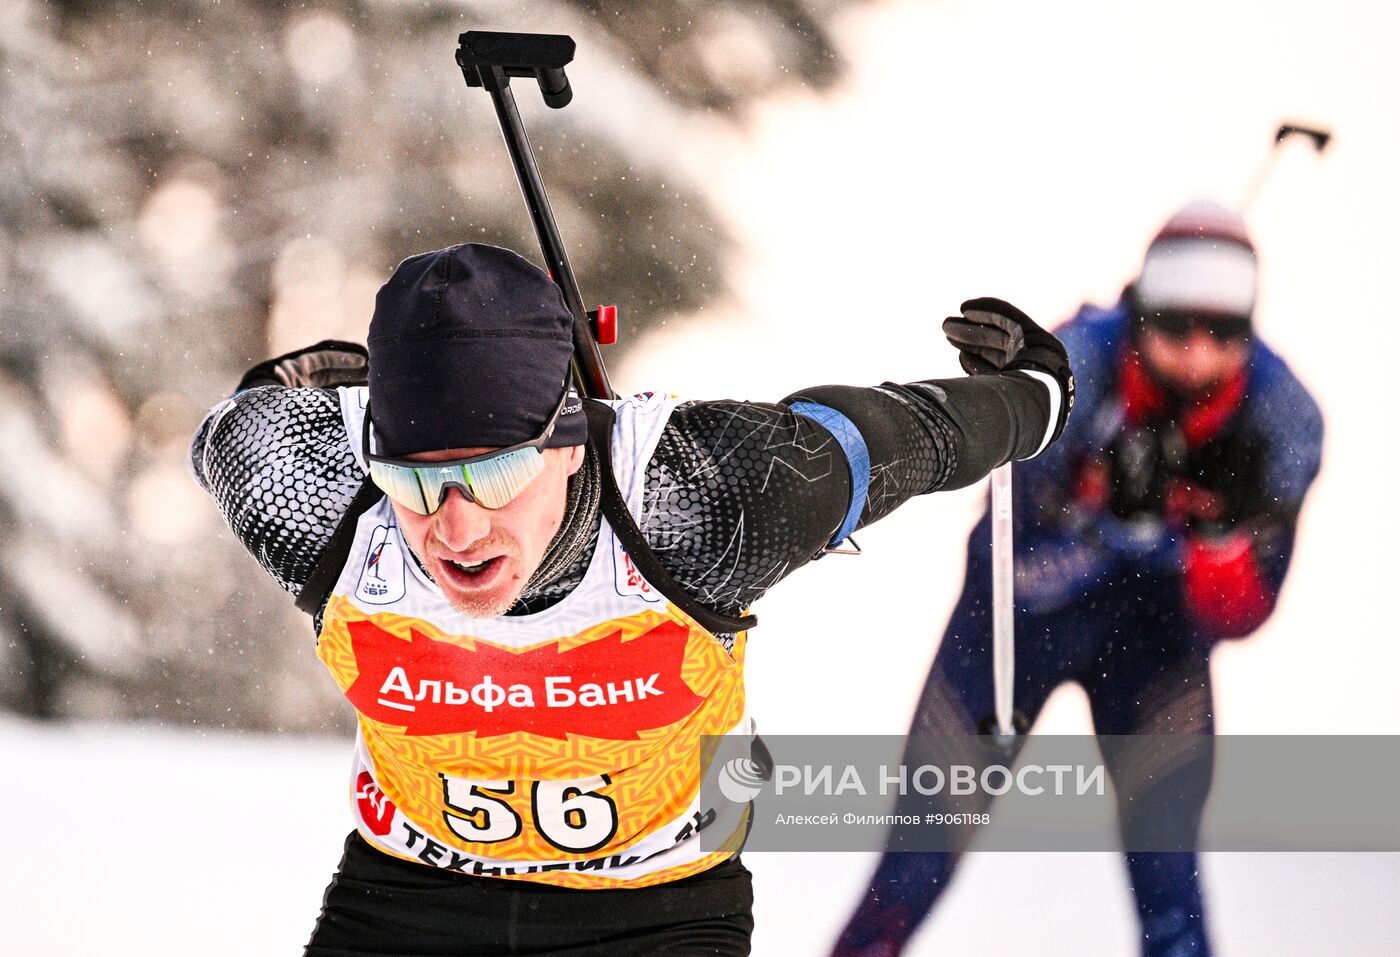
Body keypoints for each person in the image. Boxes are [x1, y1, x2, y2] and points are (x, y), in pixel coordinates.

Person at [191, 242, 1074, 956]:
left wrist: (1031, 392)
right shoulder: (315, 495)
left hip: (660, 911)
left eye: (494, 474)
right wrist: (297, 384)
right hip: (406, 899)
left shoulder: (700, 496)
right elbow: (236, 430)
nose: (455, 531)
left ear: (570, 441)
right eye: (415, 484)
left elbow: (904, 438)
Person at [832, 201, 1324, 957]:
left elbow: (1242, 615)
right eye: (1174, 326)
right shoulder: (1077, 366)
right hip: (1010, 633)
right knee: (913, 866)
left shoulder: (1282, 420)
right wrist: (1108, 518)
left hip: (1156, 647)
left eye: (1222, 332)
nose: (1196, 353)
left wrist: (1216, 542)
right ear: (1138, 309)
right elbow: (1013, 565)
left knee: (1171, 888)